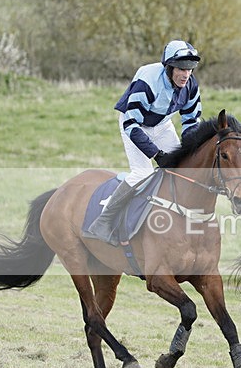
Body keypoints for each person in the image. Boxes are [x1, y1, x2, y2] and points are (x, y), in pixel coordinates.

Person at [85, 40, 202, 245]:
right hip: (134, 125)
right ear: (169, 67)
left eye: (190, 69)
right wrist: (156, 154)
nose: (186, 74)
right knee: (143, 173)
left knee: (182, 170)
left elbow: (191, 121)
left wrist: (188, 152)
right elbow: (131, 124)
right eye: (181, 69)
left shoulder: (191, 85)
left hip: (162, 125)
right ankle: (104, 221)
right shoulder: (148, 81)